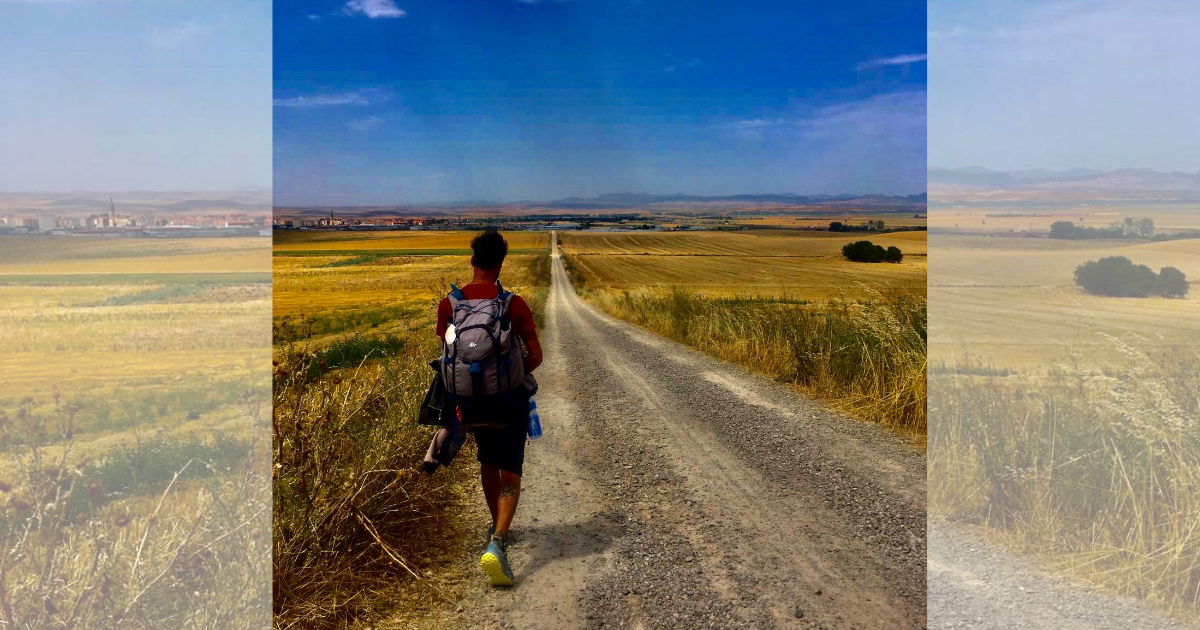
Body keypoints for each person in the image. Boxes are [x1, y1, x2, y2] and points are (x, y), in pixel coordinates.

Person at [436, 229, 542, 586]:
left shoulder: (449, 305)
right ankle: (497, 542)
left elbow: (450, 353)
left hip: (468, 403)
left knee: (488, 462)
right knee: (510, 470)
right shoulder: (513, 304)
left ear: (472, 261)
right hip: (507, 401)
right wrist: (509, 374)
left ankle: (495, 527)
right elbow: (536, 357)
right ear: (500, 263)